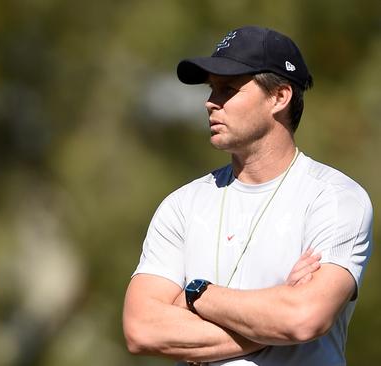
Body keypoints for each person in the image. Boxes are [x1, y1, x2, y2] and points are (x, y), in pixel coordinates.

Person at [123, 26, 373, 365]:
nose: (210, 102)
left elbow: (303, 318)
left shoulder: (334, 198)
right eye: (212, 89)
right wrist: (271, 318)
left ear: (280, 97)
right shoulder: (182, 205)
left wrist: (196, 294)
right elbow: (141, 329)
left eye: (228, 89)